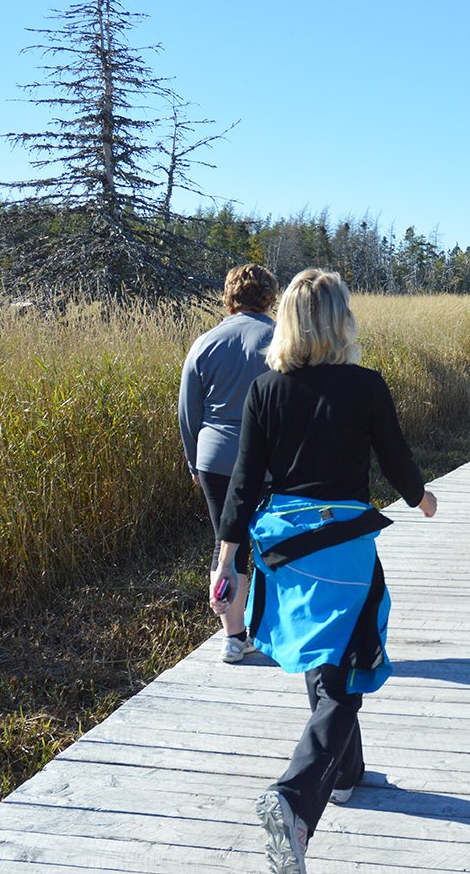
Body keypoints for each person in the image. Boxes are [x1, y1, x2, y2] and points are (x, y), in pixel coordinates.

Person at [210, 268, 438, 874]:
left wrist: (227, 557)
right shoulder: (365, 386)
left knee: (322, 655)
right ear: (340, 320)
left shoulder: (265, 389)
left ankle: (347, 775)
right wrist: (422, 498)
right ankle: (295, 799)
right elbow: (395, 458)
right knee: (347, 668)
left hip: (284, 548)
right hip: (343, 551)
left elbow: (243, 482)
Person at [178, 263, 279, 663]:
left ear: (229, 296)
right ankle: (271, 629)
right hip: (271, 462)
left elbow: (189, 412)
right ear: (270, 297)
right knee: (273, 543)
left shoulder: (205, 342)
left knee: (228, 545)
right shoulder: (280, 340)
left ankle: (234, 637)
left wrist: (193, 463)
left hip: (216, 459)